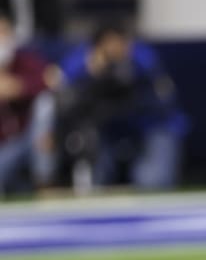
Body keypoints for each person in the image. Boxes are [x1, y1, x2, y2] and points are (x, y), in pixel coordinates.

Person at [58, 21, 184, 191]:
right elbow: (63, 84)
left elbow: (164, 99)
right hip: (108, 130)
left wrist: (128, 68)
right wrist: (91, 74)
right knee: (94, 180)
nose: (114, 49)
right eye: (108, 44)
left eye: (118, 42)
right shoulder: (85, 61)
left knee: (152, 182)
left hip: (152, 126)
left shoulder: (141, 56)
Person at [0, 12, 48, 195]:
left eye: (3, 32)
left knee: (46, 106)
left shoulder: (26, 60)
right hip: (3, 145)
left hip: (28, 138)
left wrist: (20, 87)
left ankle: (45, 182)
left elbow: (50, 81)